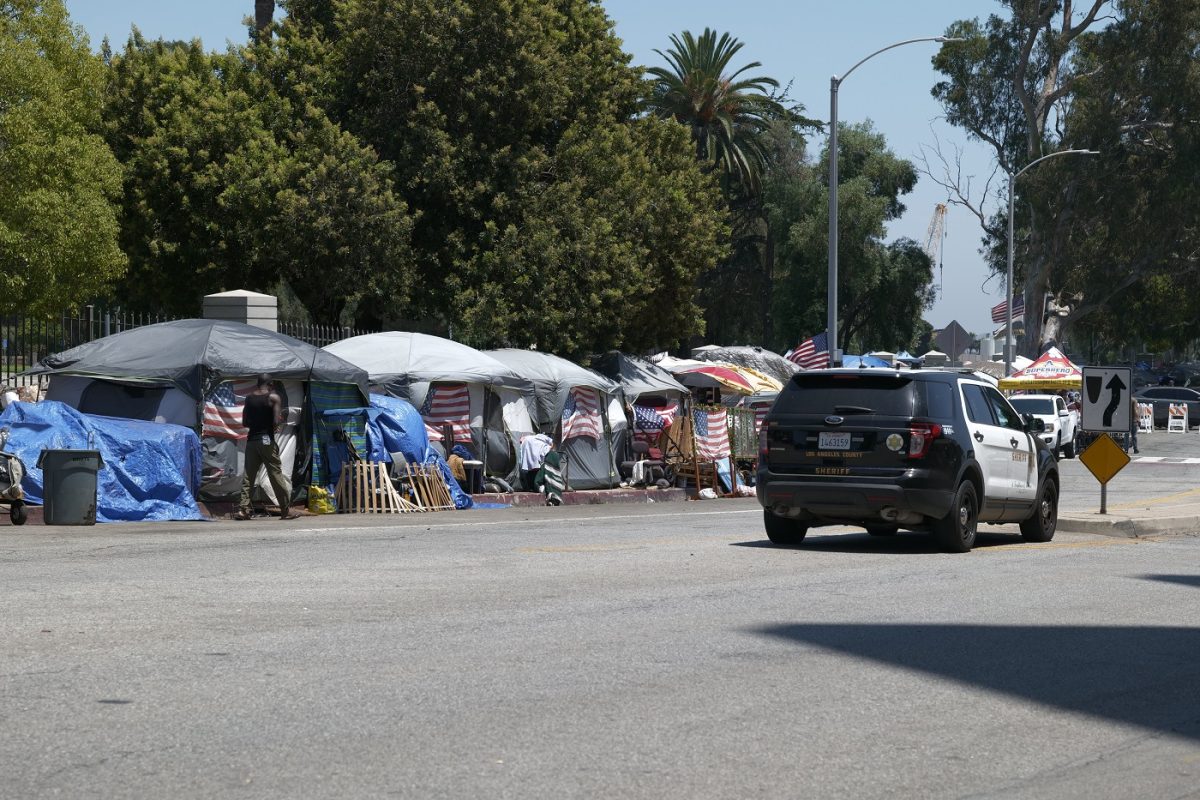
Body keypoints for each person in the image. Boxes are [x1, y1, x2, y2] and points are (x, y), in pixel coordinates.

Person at [234, 374, 295, 520]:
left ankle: (243, 509)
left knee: (249, 476)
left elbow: (245, 423)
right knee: (275, 474)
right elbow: (275, 421)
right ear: (270, 384)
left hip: (252, 441)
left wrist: (256, 423)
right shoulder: (273, 398)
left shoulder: (249, 399)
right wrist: (275, 425)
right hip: (266, 440)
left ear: (258, 383)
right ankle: (285, 509)